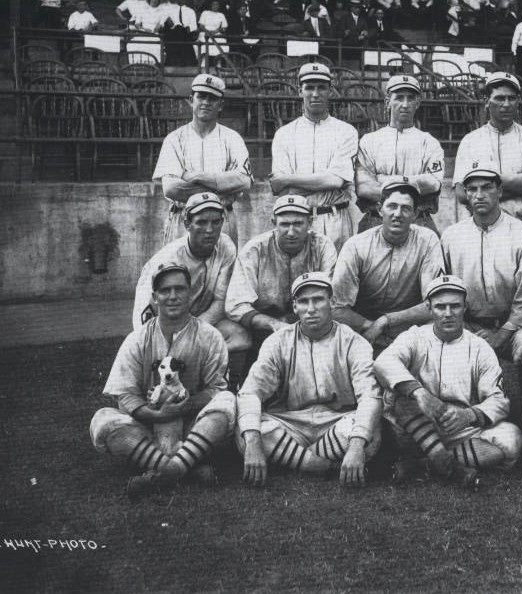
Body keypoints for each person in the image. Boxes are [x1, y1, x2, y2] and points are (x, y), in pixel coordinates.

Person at [89, 263, 236, 498]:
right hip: (149, 431)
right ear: (155, 297)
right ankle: (184, 468)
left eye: (180, 289)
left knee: (227, 402)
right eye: (165, 290)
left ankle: (164, 471)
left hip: (192, 428)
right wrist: (159, 415)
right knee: (102, 419)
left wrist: (185, 405)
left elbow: (216, 390)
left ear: (191, 293)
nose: (173, 296)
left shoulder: (210, 336)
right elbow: (125, 397)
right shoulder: (137, 339)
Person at [374, 275, 522, 489]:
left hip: (460, 427)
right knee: (400, 398)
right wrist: (420, 393)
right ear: (429, 308)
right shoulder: (414, 336)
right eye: (440, 307)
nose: (447, 313)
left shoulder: (480, 347)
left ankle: (426, 463)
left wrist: (469, 415)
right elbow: (383, 362)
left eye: (454, 306)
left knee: (512, 440)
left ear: (465, 307)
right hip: (417, 422)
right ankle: (452, 467)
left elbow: (499, 400)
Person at [236, 272, 383, 487]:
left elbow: (370, 397)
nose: (311, 308)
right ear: (295, 307)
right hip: (290, 422)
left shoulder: (354, 341)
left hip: (337, 421)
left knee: (367, 430)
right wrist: (252, 443)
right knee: (250, 432)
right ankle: (320, 465)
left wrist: (356, 445)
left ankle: (294, 460)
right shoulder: (277, 341)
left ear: (332, 302)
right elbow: (251, 392)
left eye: (318, 300)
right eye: (303, 301)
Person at [441, 163, 522, 426]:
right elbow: (444, 293)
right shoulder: (452, 236)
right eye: (472, 189)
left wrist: (501, 335)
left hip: (512, 326)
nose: (479, 195)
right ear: (465, 194)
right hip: (469, 324)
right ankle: (463, 416)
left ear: (499, 191)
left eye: (486, 188)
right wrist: (464, 328)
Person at [224, 195, 337, 381]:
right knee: (256, 379)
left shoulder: (323, 246)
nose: (291, 232)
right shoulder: (255, 249)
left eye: (298, 223)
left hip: (310, 321)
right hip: (264, 327)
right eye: (284, 224)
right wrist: (273, 324)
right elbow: (236, 305)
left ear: (310, 222)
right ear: (273, 222)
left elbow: (332, 296)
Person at [132, 192, 250, 358]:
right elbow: (143, 312)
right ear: (187, 223)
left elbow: (219, 301)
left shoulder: (226, 246)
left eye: (215, 222)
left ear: (223, 222)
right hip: (167, 326)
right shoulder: (167, 258)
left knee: (240, 337)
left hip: (201, 321)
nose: (209, 230)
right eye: (201, 222)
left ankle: (208, 364)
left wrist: (194, 332)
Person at [332, 180, 444, 351]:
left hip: (411, 330)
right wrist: (372, 326)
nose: (397, 214)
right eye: (391, 206)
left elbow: (434, 302)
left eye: (406, 208)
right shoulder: (356, 245)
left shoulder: (427, 240)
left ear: (415, 214)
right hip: (363, 331)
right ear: (379, 209)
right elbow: (336, 307)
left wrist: (386, 321)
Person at [153, 73, 252, 246]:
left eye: (212, 98)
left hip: (221, 219)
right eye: (201, 96)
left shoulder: (232, 138)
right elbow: (171, 188)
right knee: (179, 271)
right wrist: (223, 185)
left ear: (220, 105)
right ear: (191, 99)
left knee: (223, 271)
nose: (206, 102)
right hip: (184, 218)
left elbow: (244, 182)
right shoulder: (174, 139)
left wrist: (197, 177)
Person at [270, 63, 359, 251]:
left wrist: (288, 179)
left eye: (321, 87)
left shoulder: (346, 131)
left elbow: (335, 180)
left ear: (331, 91)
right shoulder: (284, 133)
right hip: (297, 220)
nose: (315, 94)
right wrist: (322, 181)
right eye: (309, 87)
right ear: (299, 91)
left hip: (335, 218)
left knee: (335, 278)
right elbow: (281, 190)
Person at [453, 71, 522, 233]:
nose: (506, 104)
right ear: (487, 101)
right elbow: (461, 193)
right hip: (481, 226)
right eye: (500, 98)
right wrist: (519, 184)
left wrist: (488, 185)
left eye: (511, 98)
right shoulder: (470, 141)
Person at [355, 74, 444, 234]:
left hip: (419, 220)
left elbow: (433, 184)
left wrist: (385, 180)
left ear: (418, 103)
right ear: (387, 101)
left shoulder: (429, 142)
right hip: (376, 220)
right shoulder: (369, 141)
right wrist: (415, 184)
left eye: (410, 98)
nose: (405, 104)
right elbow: (364, 188)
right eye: (399, 98)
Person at [197, 0, 229, 66]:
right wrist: (208, 32)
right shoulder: (205, 13)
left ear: (219, 6)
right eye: (213, 4)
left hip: (216, 33)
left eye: (217, 4)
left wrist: (216, 31)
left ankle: (218, 63)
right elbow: (201, 26)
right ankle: (203, 64)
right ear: (211, 5)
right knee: (204, 43)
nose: (215, 6)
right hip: (205, 33)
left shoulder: (221, 15)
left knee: (222, 42)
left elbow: (224, 27)